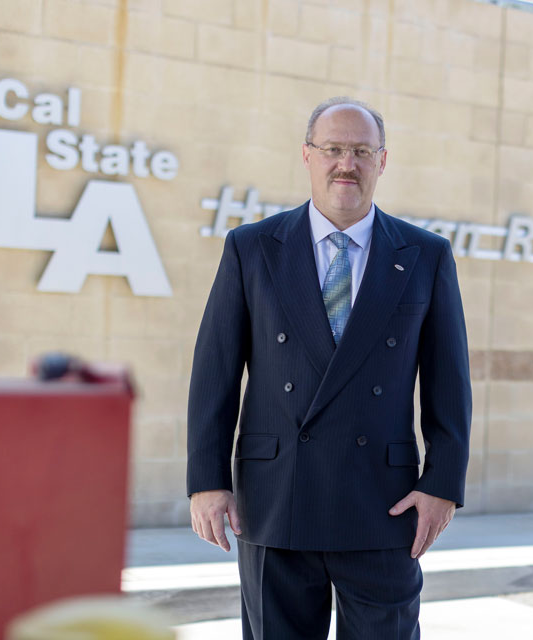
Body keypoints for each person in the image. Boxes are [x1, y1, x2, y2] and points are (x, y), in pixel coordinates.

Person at [186, 96, 472, 639]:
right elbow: (214, 371)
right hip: (274, 499)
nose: (347, 163)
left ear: (382, 161)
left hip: (384, 506)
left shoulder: (424, 254)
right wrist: (206, 480)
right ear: (308, 156)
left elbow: (449, 381)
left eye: (362, 151)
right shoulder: (252, 248)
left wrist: (443, 483)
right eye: (334, 149)